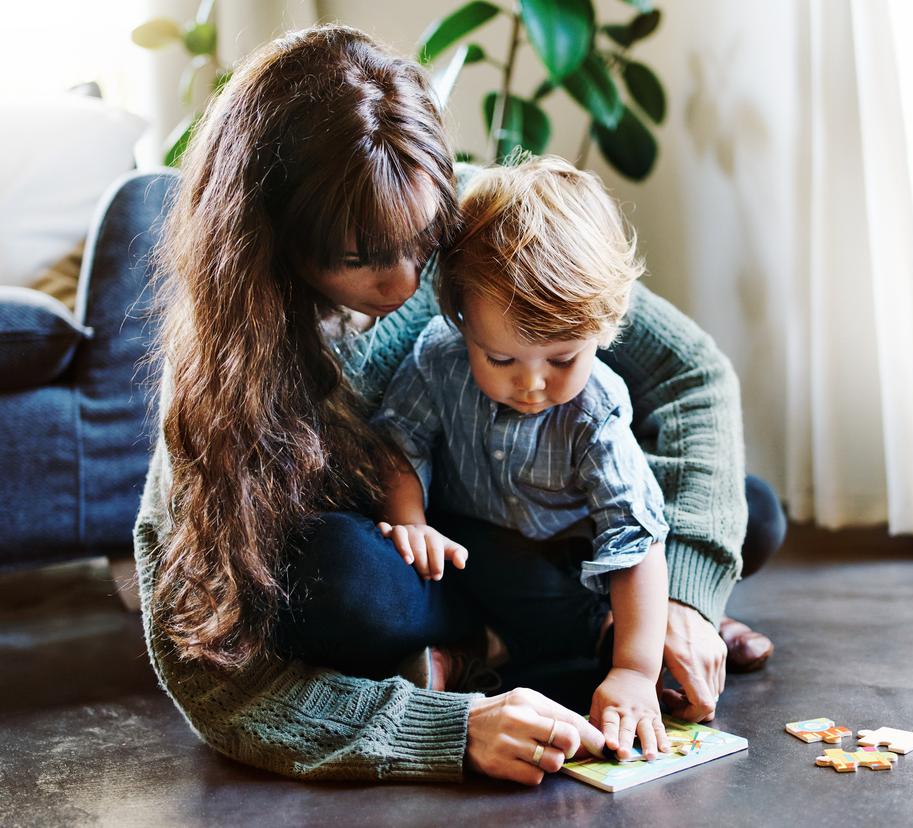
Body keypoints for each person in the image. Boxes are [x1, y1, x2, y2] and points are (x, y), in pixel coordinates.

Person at [133, 23, 782, 787]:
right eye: (361, 257)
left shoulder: (482, 219)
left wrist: (683, 597)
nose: (407, 282)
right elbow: (209, 677)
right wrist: (451, 731)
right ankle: (506, 648)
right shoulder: (223, 360)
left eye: (421, 240)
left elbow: (691, 373)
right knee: (334, 580)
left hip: (558, 524)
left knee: (747, 509)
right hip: (431, 561)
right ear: (273, 239)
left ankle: (588, 633)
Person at [371, 155, 672, 760]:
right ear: (460, 322)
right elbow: (396, 444)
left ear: (603, 328)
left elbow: (634, 542)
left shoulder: (597, 408)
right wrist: (410, 521)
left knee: (752, 517)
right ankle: (525, 647)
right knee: (455, 563)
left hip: (571, 562)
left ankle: (641, 641)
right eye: (501, 360)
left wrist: (635, 673)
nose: (532, 385)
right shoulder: (438, 357)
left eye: (562, 360)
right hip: (475, 550)